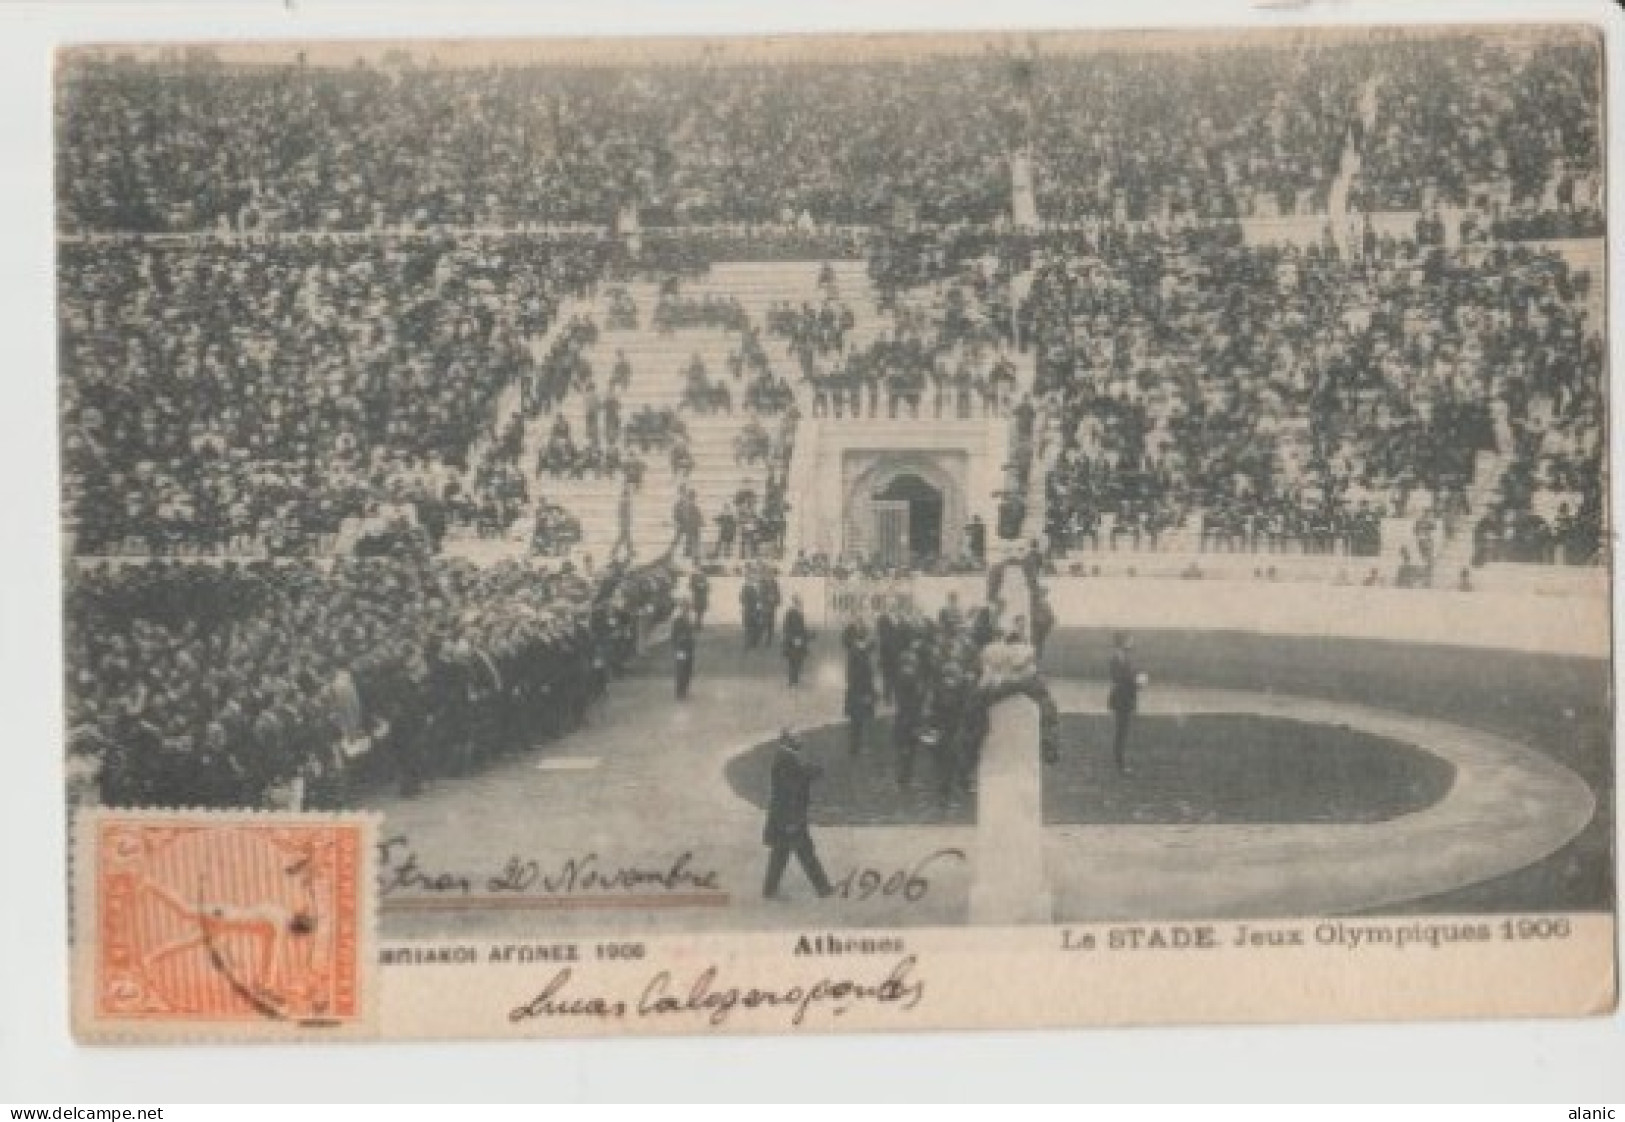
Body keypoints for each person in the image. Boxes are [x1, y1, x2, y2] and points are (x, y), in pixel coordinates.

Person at [762, 728, 833, 900]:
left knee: (781, 853)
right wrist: (792, 821)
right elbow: (791, 790)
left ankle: (769, 890)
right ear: (788, 741)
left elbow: (796, 778)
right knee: (805, 853)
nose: (802, 740)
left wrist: (809, 772)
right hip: (790, 817)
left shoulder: (786, 757)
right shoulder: (786, 760)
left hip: (782, 817)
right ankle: (824, 888)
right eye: (797, 738)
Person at [843, 620, 878, 756]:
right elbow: (857, 676)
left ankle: (855, 748)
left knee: (858, 721)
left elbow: (870, 646)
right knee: (857, 721)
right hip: (859, 692)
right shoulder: (857, 652)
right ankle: (855, 748)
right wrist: (866, 693)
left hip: (857, 692)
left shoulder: (857, 650)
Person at [1108, 631, 1140, 774]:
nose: (1132, 642)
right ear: (1124, 641)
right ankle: (1120, 763)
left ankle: (1120, 761)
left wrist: (1135, 682)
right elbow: (1120, 677)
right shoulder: (1118, 657)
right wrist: (1137, 682)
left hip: (1124, 697)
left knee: (1122, 731)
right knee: (1122, 731)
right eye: (1130, 639)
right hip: (1123, 698)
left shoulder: (1122, 657)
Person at [782, 593, 811, 687]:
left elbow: (801, 629)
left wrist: (809, 635)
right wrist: (793, 639)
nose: (800, 606)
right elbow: (787, 628)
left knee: (798, 661)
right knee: (794, 662)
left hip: (798, 641)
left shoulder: (797, 614)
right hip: (793, 642)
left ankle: (795, 681)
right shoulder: (791, 613)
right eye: (798, 603)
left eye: (799, 604)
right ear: (795, 604)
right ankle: (792, 682)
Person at [672, 599, 697, 701]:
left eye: (688, 608)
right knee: (681, 670)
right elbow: (674, 636)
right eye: (684, 608)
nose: (686, 610)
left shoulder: (689, 620)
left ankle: (684, 690)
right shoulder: (678, 620)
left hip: (689, 648)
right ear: (681, 608)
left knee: (688, 669)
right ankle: (679, 692)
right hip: (680, 648)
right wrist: (678, 645)